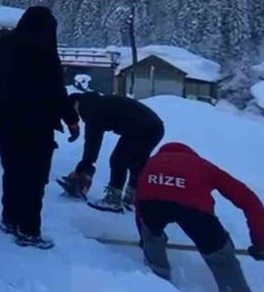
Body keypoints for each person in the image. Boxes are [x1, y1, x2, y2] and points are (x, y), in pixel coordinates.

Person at [0, 6, 80, 249]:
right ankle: (29, 229)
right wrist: (71, 119)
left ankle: (10, 218)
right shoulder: (42, 51)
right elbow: (55, 90)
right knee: (34, 177)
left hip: (4, 120)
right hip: (35, 122)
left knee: (13, 169)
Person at [136, 143, 264, 291]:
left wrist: (144, 238)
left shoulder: (150, 163)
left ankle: (155, 283)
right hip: (194, 210)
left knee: (151, 237)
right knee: (219, 256)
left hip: (152, 204)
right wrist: (261, 243)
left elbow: (139, 204)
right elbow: (249, 200)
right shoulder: (203, 165)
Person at [59, 92, 164, 213]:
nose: (75, 115)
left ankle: (113, 200)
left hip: (141, 128)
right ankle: (134, 199)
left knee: (118, 160)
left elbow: (92, 143)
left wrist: (82, 167)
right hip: (156, 128)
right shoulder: (99, 102)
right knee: (137, 161)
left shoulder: (91, 109)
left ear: (76, 103)